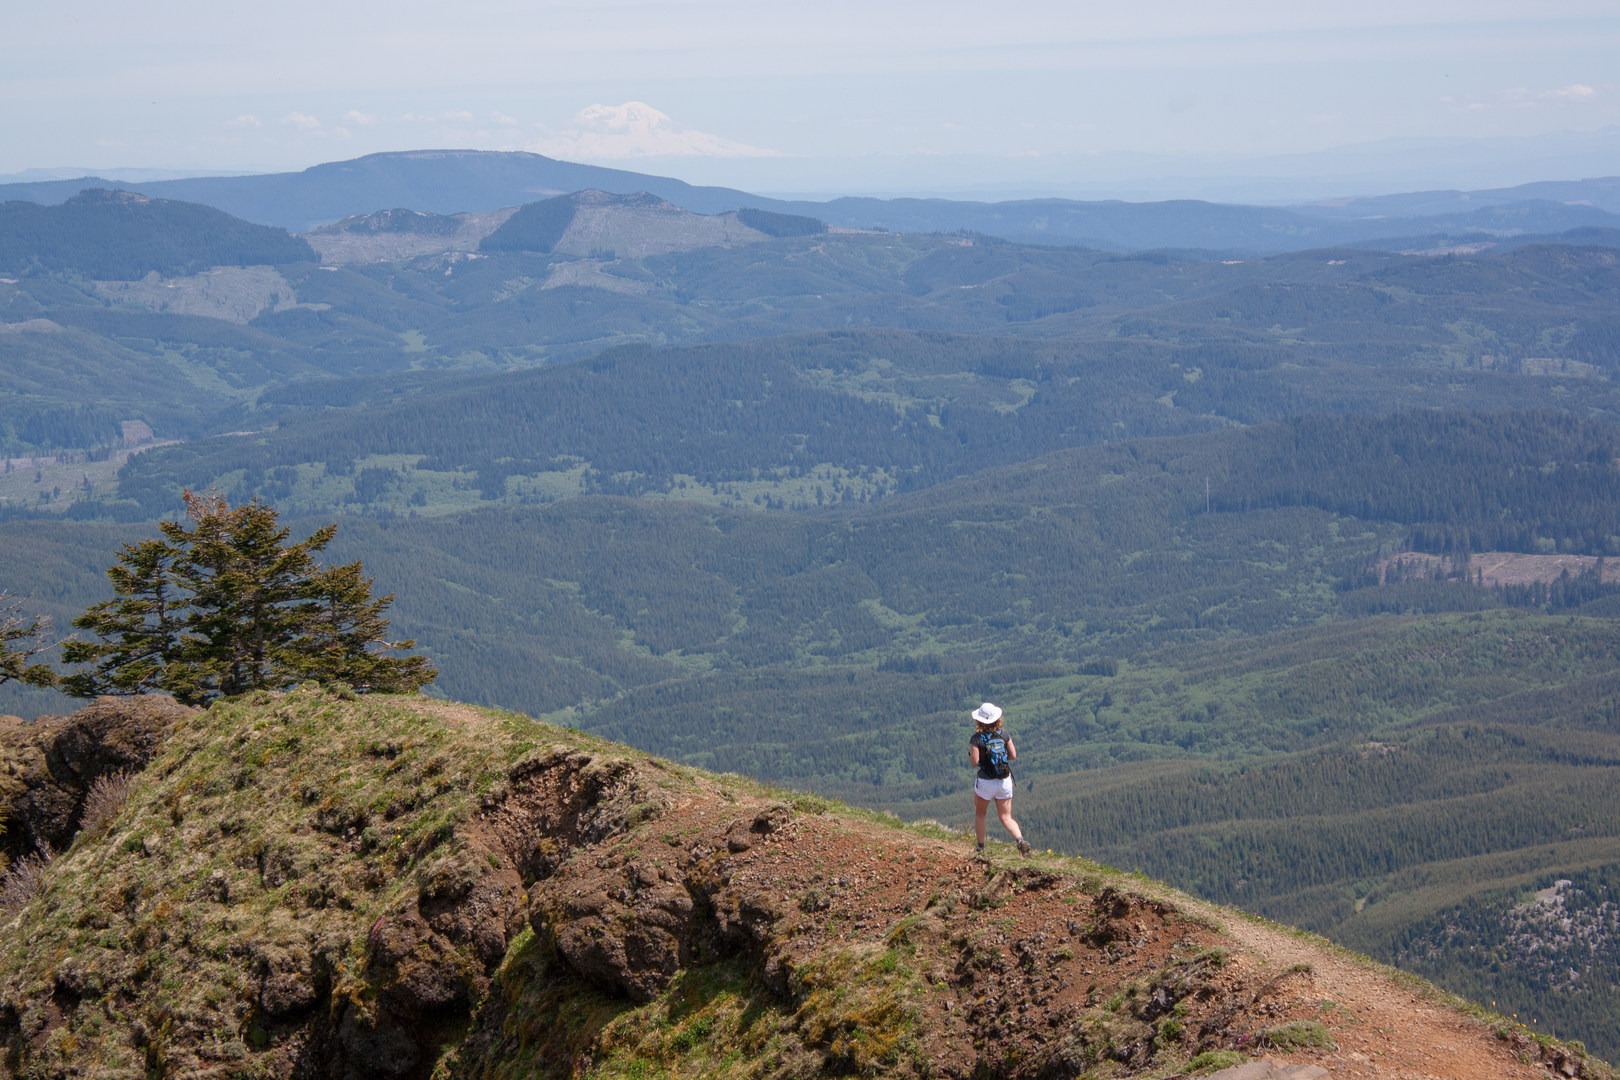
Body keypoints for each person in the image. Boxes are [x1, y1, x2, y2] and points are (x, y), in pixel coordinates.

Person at [968, 701, 1032, 855]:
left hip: (986, 781)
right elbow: (1013, 755)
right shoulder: (1004, 734)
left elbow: (974, 762)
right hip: (1004, 780)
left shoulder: (976, 739)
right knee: (1006, 817)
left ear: (979, 720)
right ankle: (1020, 840)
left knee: (980, 814)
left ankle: (981, 847)